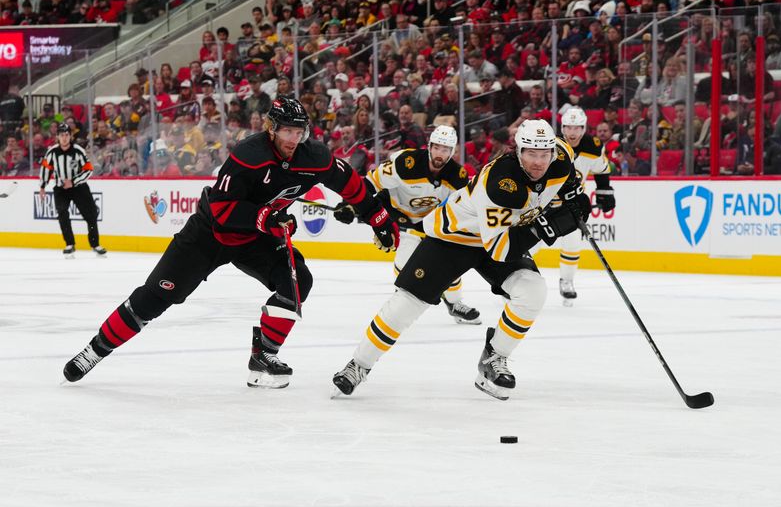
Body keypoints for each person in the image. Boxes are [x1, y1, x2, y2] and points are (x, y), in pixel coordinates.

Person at [62, 97, 399, 388]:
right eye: (287, 132)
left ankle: (264, 355)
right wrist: (266, 218)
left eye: (300, 132)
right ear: (272, 129)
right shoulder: (248, 154)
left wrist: (378, 218)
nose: (294, 139)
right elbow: (223, 210)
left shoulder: (314, 157)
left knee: (296, 282)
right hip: (209, 234)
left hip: (255, 239)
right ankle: (95, 350)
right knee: (156, 297)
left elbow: (350, 184)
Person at [331, 119, 591, 400]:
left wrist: (575, 199)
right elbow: (501, 251)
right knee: (407, 303)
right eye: (531, 154)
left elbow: (566, 185)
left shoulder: (561, 157)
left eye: (544, 154)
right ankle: (358, 365)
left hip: (504, 234)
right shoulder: (500, 182)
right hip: (456, 236)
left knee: (533, 291)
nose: (539, 162)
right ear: (518, 151)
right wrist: (550, 227)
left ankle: (494, 359)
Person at [333, 125, 482, 324]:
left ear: (452, 151)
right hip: (398, 216)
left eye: (445, 149)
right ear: (429, 146)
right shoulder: (405, 162)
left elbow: (464, 207)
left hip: (430, 223)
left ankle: (454, 304)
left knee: (448, 264)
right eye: (437, 147)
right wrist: (350, 205)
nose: (440, 154)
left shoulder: (458, 177)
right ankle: (403, 297)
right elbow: (371, 183)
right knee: (405, 263)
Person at [555, 108, 615, 304]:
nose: (573, 132)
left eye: (578, 128)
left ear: (584, 128)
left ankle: (567, 282)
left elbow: (602, 169)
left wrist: (604, 192)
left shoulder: (593, 147)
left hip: (571, 205)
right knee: (531, 244)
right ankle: (513, 281)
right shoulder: (552, 145)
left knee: (572, 243)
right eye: (569, 127)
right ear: (562, 128)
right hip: (545, 204)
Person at [38, 123, 106, 258]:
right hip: (60, 189)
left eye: (67, 135)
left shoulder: (78, 151)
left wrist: (74, 181)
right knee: (62, 213)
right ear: (57, 137)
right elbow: (46, 169)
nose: (64, 138)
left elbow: (88, 169)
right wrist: (42, 186)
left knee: (90, 215)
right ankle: (69, 244)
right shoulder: (52, 152)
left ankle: (95, 244)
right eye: (62, 135)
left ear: (70, 136)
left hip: (79, 188)